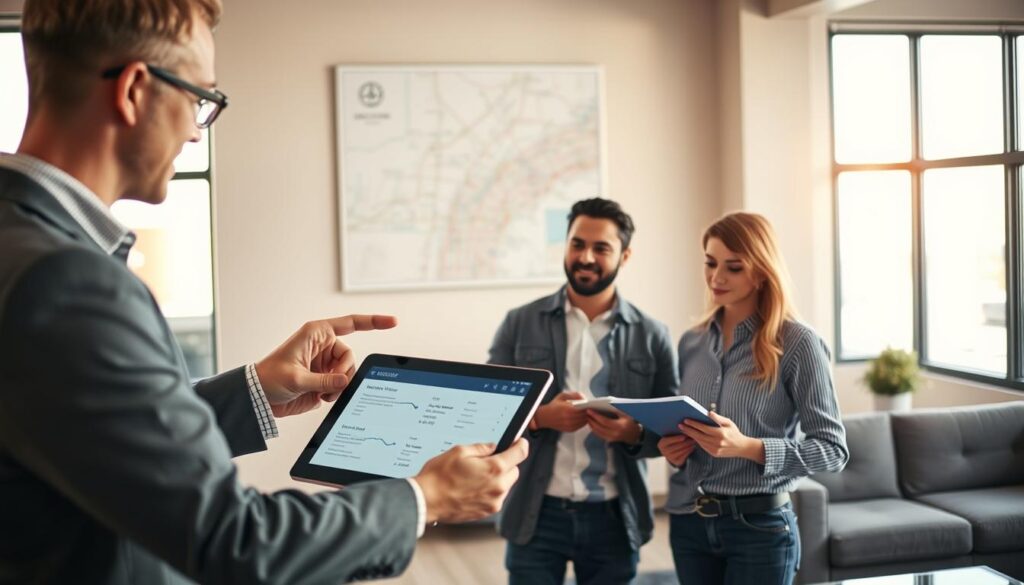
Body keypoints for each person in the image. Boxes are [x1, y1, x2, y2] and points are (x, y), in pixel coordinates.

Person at [0, 1, 527, 583]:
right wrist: (426, 495)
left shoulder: (19, 243)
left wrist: (257, 387)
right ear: (133, 91)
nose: (194, 133)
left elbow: (89, 435)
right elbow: (234, 541)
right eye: (201, 99)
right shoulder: (67, 282)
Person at [488, 197, 679, 585]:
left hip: (615, 516)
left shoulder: (652, 335)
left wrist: (634, 434)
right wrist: (541, 418)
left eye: (601, 248)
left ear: (624, 256)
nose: (586, 257)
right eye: (577, 244)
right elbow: (486, 413)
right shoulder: (520, 322)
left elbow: (673, 429)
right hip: (535, 512)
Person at [657, 212, 849, 585]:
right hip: (689, 525)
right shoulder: (692, 341)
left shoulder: (797, 343)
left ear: (761, 272)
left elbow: (833, 451)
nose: (716, 277)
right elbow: (686, 429)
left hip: (759, 530)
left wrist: (748, 447)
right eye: (710, 263)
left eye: (733, 267)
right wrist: (674, 450)